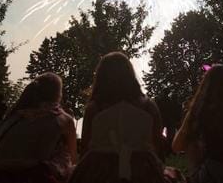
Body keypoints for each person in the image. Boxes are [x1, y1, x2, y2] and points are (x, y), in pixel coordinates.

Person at [70, 52, 183, 183]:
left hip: (100, 171)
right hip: (143, 170)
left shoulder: (94, 109)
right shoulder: (148, 106)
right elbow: (158, 148)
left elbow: (85, 149)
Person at [0, 73, 77, 183]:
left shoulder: (13, 117)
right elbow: (73, 158)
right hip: (34, 176)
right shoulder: (63, 119)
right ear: (59, 94)